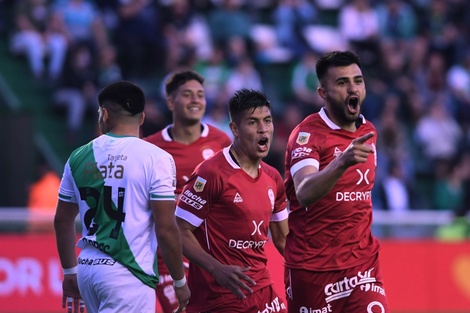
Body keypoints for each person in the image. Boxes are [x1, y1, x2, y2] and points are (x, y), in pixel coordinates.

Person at [53, 80, 190, 313]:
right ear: (142, 118)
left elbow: (62, 220)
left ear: (104, 114)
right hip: (128, 275)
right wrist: (179, 281)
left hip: (88, 269)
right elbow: (166, 228)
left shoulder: (78, 156)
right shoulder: (156, 158)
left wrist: (69, 272)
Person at [283, 51, 389, 313]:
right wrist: (341, 162)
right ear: (323, 92)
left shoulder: (369, 132)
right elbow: (304, 191)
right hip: (313, 270)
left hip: (362, 264)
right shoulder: (307, 135)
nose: (353, 88)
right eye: (342, 83)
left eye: (358, 80)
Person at [175, 89, 289, 313]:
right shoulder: (212, 173)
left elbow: (284, 240)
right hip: (219, 298)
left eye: (267, 121)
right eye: (253, 122)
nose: (263, 129)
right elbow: (179, 229)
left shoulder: (273, 178)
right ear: (235, 129)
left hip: (262, 289)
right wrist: (216, 268)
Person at [143, 70, 232, 313]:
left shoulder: (221, 142)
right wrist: (179, 201)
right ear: (171, 101)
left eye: (200, 95)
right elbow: (139, 200)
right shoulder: (150, 147)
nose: (196, 100)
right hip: (168, 255)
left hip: (214, 252)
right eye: (188, 95)